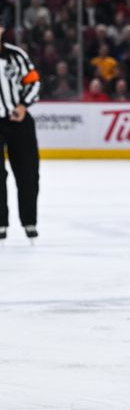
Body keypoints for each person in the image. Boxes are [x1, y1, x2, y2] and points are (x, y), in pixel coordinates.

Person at [0, 15, 42, 241]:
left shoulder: (16, 55)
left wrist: (23, 105)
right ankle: (0, 224)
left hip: (18, 119)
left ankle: (29, 221)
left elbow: (34, 81)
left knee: (28, 172)